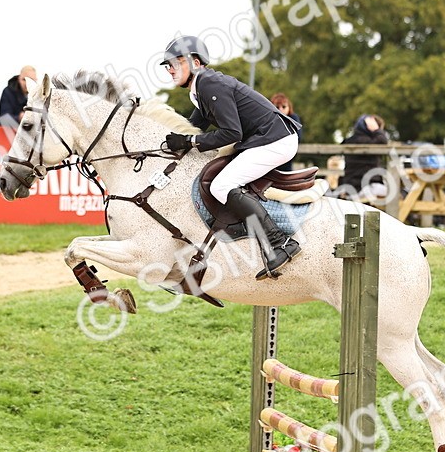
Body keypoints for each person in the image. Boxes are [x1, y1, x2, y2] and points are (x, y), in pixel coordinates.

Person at [158, 34, 302, 279]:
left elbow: (231, 132)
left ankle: (280, 243)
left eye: (175, 62)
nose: (170, 69)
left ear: (195, 62)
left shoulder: (209, 84)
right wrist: (172, 141)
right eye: (167, 65)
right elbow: (192, 128)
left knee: (222, 185)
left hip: (275, 141)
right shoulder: (200, 89)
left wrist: (190, 142)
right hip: (267, 139)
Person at [337, 114, 390, 198]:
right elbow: (383, 142)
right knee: (396, 195)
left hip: (352, 187)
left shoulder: (351, 140)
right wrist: (377, 130)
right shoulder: (369, 141)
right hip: (365, 187)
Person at [268, 92, 302, 171]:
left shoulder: (293, 118)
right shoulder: (269, 119)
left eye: (283, 107)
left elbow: (298, 137)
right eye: (277, 107)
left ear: (289, 107)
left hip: (286, 155)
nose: (280, 109)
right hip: (271, 155)